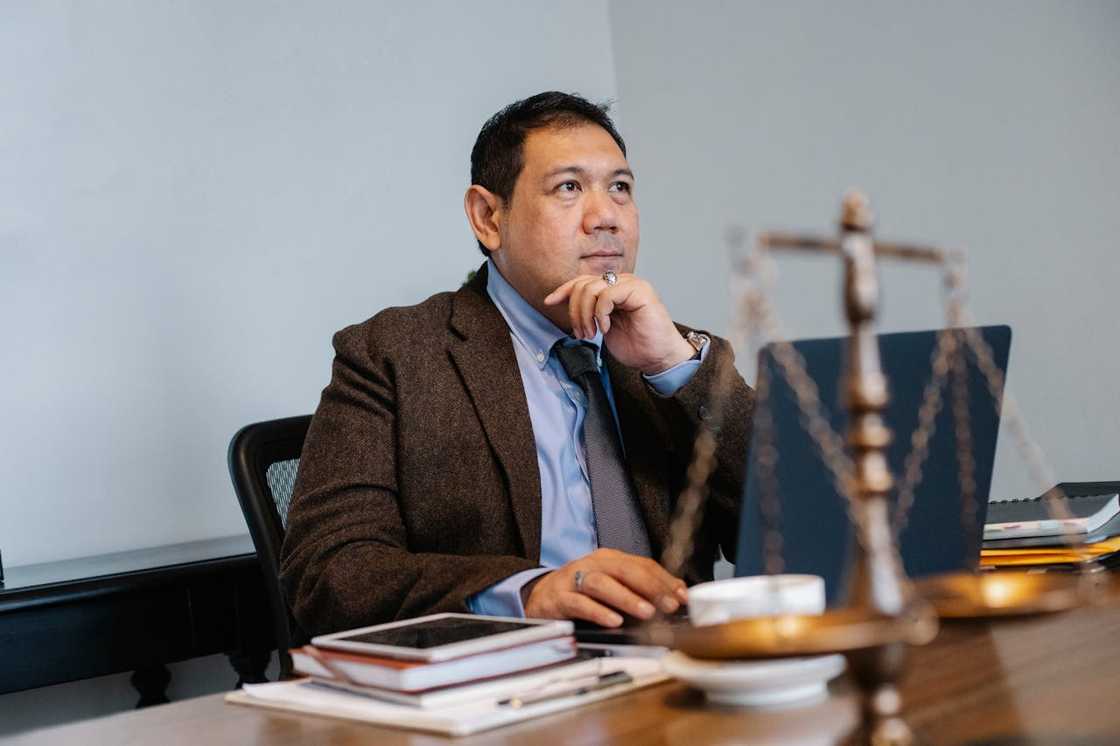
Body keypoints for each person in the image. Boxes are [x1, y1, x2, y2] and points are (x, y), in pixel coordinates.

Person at [280, 92, 754, 637]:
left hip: (679, 664)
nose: (606, 217)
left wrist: (675, 366)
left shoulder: (675, 355)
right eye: (569, 187)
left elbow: (800, 521)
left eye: (620, 188)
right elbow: (329, 573)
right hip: (510, 673)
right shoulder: (394, 356)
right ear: (488, 217)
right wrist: (528, 593)